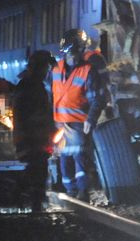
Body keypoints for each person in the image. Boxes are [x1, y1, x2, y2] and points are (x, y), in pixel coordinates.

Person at [50, 29, 109, 201]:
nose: (77, 56)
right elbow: (48, 93)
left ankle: (82, 192)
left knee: (79, 156)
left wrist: (90, 119)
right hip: (60, 124)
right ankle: (71, 191)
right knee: (64, 157)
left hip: (78, 123)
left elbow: (97, 98)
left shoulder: (87, 70)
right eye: (75, 52)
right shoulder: (55, 70)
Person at [13, 51, 57, 211]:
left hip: (35, 136)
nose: (48, 70)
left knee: (37, 168)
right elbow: (30, 114)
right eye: (46, 67)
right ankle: (31, 200)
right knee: (38, 170)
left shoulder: (31, 84)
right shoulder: (30, 86)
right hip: (32, 137)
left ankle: (31, 200)